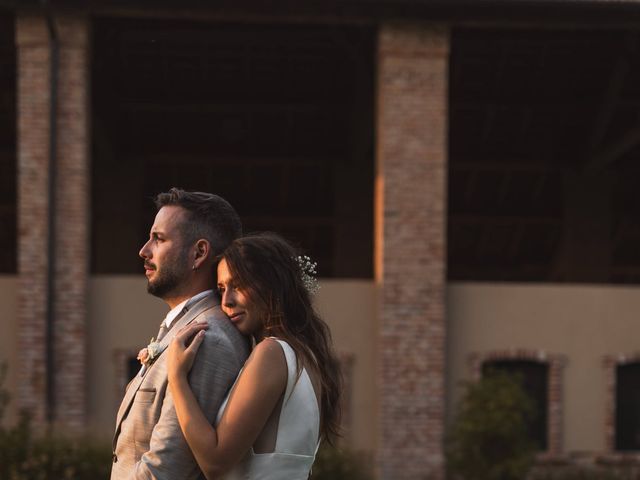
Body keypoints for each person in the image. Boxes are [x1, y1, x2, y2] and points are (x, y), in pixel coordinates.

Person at [166, 232, 342, 479]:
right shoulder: (307, 356)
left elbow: (215, 462)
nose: (226, 301)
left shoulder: (271, 353)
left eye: (238, 285)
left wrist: (176, 378)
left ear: (272, 284)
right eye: (221, 288)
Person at [111, 188, 250, 480]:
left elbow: (165, 472)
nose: (144, 250)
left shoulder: (207, 340)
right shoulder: (181, 330)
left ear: (199, 253)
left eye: (158, 239)